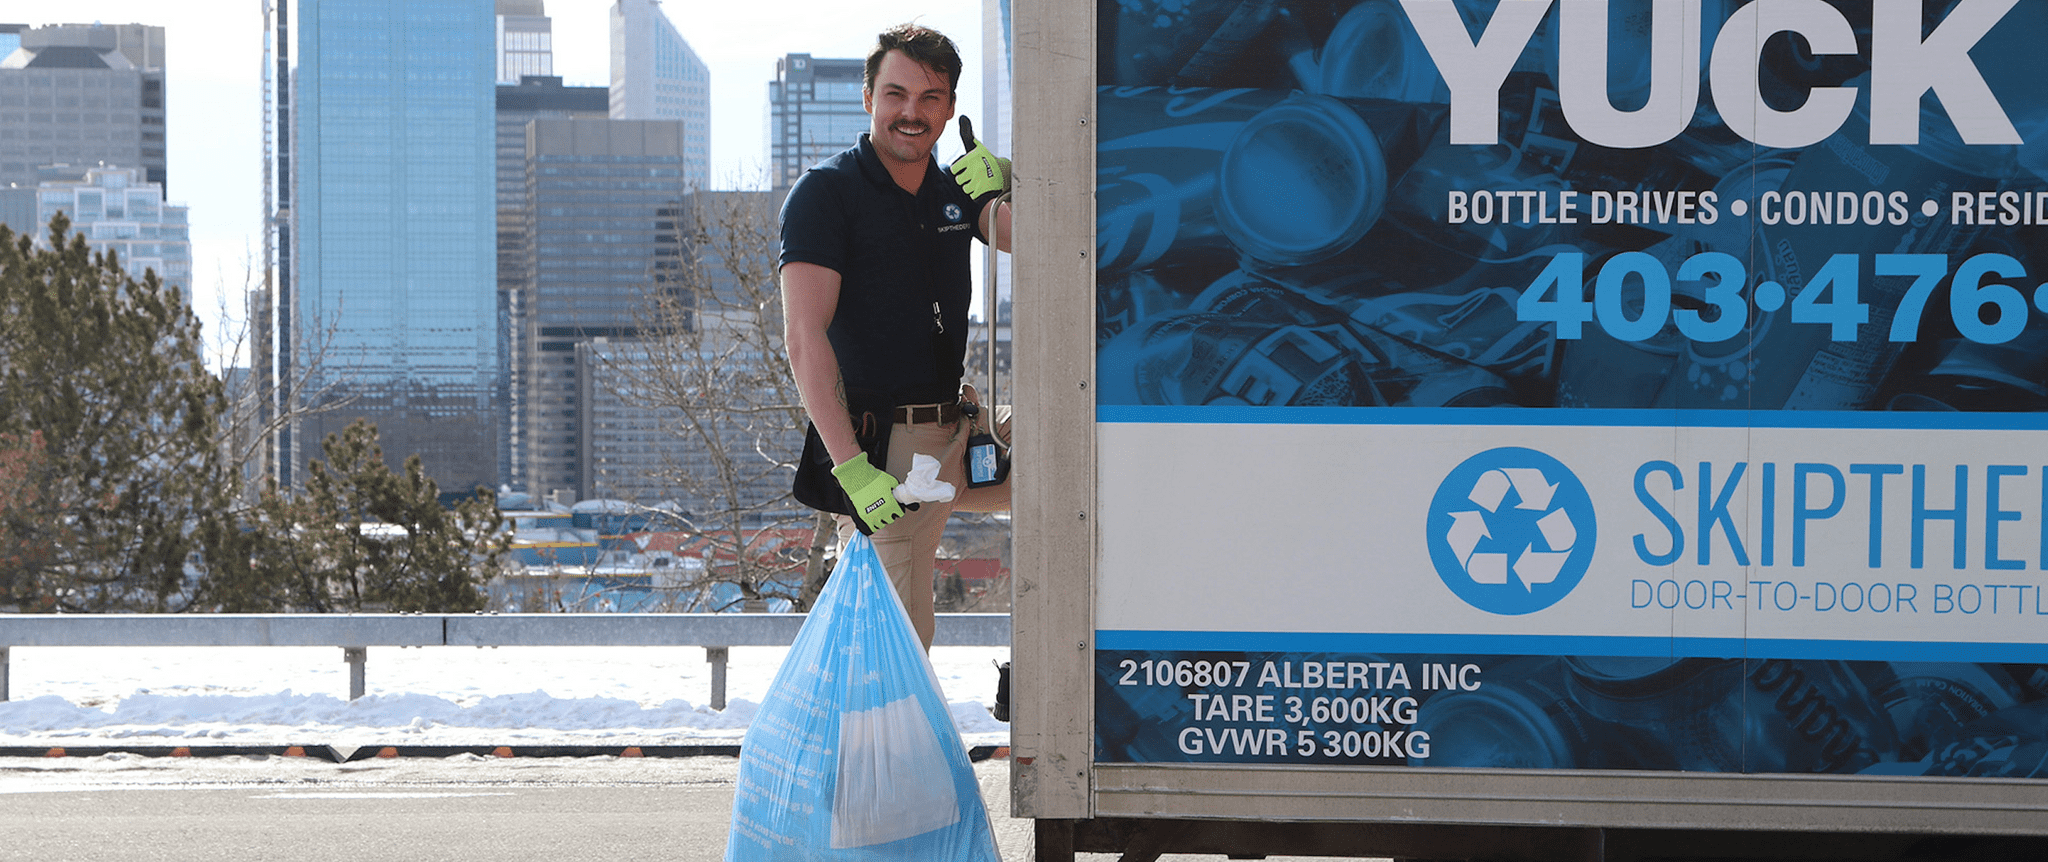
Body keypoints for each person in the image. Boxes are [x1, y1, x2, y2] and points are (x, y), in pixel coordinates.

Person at [781, 23, 1013, 649]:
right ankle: (880, 750)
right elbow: (804, 339)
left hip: (960, 427)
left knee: (1082, 476)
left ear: (950, 109)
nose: (912, 112)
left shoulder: (954, 191)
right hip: (887, 452)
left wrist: (1012, 182)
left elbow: (1044, 241)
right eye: (896, 94)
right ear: (868, 98)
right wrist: (852, 470)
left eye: (930, 97)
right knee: (897, 645)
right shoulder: (828, 192)